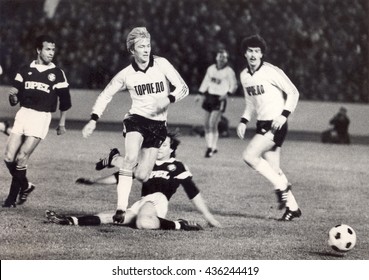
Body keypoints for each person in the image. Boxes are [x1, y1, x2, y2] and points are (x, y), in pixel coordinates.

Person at [81, 27, 189, 224]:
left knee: (141, 175)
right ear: (132, 50)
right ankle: (121, 208)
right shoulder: (126, 74)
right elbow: (106, 94)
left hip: (158, 126)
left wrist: (168, 99)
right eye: (141, 46)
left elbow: (183, 88)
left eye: (148, 45)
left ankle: (115, 159)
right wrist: (93, 119)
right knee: (131, 158)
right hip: (136, 120)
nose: (146, 50)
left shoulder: (162, 64)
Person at [46, 134, 221, 230]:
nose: (160, 148)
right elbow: (120, 177)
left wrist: (209, 217)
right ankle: (69, 220)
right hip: (142, 203)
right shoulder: (146, 163)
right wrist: (94, 181)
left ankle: (180, 224)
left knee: (143, 223)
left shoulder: (177, 166)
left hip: (158, 201)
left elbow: (193, 192)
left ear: (172, 149)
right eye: (158, 144)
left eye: (165, 145)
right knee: (113, 218)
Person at [236, 35, 301, 221]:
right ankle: (293, 208)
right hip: (262, 124)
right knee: (274, 168)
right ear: (245, 53)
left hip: (276, 124)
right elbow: (250, 102)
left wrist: (283, 115)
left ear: (262, 53)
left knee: (249, 156)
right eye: (250, 51)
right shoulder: (244, 75)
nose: (253, 54)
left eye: (257, 51)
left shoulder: (271, 71)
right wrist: (243, 120)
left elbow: (293, 92)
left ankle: (281, 186)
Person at [2, 35, 72, 208]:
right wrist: (12, 96)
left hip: (41, 117)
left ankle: (11, 199)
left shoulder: (57, 73)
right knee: (8, 157)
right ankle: (25, 186)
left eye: (53, 50)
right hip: (23, 114)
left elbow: (65, 101)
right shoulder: (25, 70)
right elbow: (14, 100)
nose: (51, 53)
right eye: (48, 49)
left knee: (21, 157)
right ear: (38, 50)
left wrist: (61, 123)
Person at [195, 49, 238, 157]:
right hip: (210, 97)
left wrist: (227, 94)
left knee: (212, 123)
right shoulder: (211, 69)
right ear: (216, 58)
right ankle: (213, 147)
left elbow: (234, 85)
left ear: (226, 59)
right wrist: (200, 93)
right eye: (220, 57)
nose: (222, 59)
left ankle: (210, 148)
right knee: (206, 124)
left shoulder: (229, 71)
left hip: (220, 98)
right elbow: (206, 81)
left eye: (224, 57)